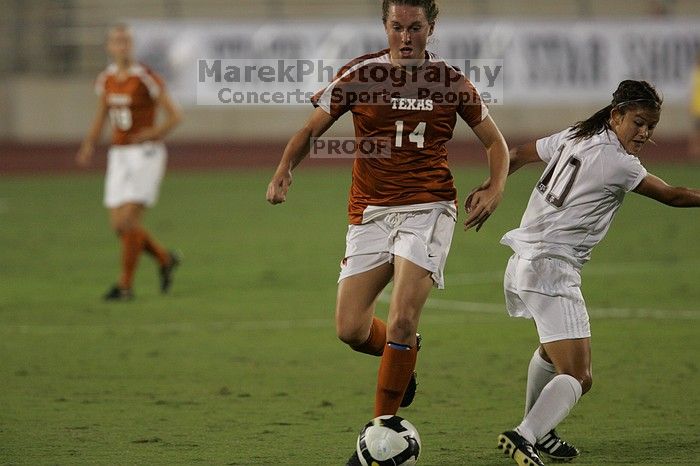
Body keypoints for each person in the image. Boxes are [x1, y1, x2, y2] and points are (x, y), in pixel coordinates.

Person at [266, 0, 509, 463]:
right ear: (384, 26)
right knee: (351, 328)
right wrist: (285, 168)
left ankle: (380, 435)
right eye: (396, 27)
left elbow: (495, 142)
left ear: (431, 28)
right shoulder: (361, 74)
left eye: (414, 27)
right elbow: (312, 129)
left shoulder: (451, 82)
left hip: (428, 208)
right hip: (370, 212)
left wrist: (496, 186)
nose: (405, 37)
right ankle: (403, 359)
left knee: (401, 318)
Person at [469, 80, 700, 466]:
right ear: (616, 115)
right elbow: (672, 195)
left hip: (525, 261)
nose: (644, 134)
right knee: (579, 375)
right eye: (638, 123)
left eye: (651, 127)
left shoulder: (578, 133)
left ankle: (540, 429)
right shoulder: (620, 162)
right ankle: (524, 435)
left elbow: (520, 152)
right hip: (551, 269)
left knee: (551, 351)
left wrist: (495, 184)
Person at [76, 24, 183, 301]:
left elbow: (175, 115)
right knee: (119, 226)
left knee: (127, 221)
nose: (121, 45)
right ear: (109, 47)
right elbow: (102, 114)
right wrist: (89, 143)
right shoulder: (106, 79)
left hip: (146, 155)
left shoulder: (146, 77)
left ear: (131, 45)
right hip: (118, 156)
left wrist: (154, 133)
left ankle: (125, 286)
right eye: (116, 40)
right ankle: (164, 258)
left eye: (126, 40)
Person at [689, 51, 700, 158]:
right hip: (697, 108)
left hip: (697, 107)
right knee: (696, 131)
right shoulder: (695, 74)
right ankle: (695, 152)